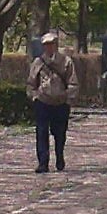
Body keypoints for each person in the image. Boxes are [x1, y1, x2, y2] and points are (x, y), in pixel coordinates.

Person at [27, 32, 79, 173]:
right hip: (43, 102)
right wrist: (34, 97)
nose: (48, 47)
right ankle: (43, 163)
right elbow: (31, 83)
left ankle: (60, 157)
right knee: (41, 132)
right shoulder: (38, 62)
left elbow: (73, 82)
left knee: (59, 134)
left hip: (61, 103)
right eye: (46, 45)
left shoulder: (66, 61)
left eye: (51, 44)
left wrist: (68, 99)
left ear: (56, 45)